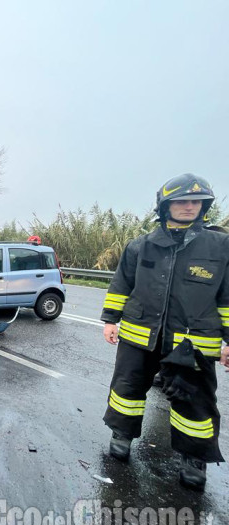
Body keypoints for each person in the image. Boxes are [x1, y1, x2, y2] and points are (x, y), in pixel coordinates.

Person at [100, 173, 229, 491]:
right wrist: (109, 320)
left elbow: (227, 296)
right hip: (138, 334)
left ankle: (194, 459)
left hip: (192, 343)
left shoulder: (220, 245)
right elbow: (121, 285)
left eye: (195, 201)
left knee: (195, 402)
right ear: (165, 206)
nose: (188, 206)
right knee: (127, 389)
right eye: (181, 201)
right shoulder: (141, 246)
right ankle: (122, 435)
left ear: (203, 206)